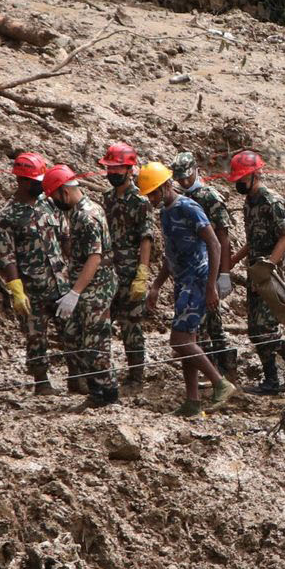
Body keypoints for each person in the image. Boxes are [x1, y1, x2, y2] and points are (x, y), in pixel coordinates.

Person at [140, 162, 236, 417]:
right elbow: (171, 255)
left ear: (166, 186)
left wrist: (212, 286)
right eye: (148, 195)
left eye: (154, 193)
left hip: (198, 279)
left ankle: (220, 383)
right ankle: (192, 400)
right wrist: (157, 285)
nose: (151, 199)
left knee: (179, 340)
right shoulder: (165, 212)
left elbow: (214, 244)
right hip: (182, 282)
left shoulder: (189, 208)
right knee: (188, 342)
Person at [0, 151, 74, 399]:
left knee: (72, 332)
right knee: (36, 337)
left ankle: (77, 378)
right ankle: (42, 381)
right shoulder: (8, 216)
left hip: (60, 282)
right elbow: (8, 255)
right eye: (37, 181)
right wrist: (16, 289)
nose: (41, 185)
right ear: (22, 181)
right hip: (32, 287)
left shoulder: (47, 203)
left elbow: (64, 236)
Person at [227, 150, 285, 393]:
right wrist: (233, 261)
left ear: (254, 175)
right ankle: (270, 379)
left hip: (274, 273)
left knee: (268, 327)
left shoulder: (272, 201)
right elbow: (253, 239)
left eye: (242, 179)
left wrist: (271, 264)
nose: (239, 184)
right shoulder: (249, 203)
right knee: (255, 328)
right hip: (257, 272)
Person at [43, 164, 120, 409]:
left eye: (55, 196)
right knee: (79, 339)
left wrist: (75, 292)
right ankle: (96, 389)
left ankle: (106, 393)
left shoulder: (87, 216)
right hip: (85, 284)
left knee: (96, 343)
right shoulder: (76, 212)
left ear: (64, 192)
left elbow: (94, 258)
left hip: (96, 287)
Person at [171, 152, 237, 374]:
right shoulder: (179, 197)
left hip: (211, 268)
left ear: (196, 171)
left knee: (213, 323)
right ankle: (210, 370)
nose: (184, 182)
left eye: (187, 178)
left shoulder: (210, 197)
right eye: (180, 179)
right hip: (191, 270)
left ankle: (225, 371)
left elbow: (222, 239)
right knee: (197, 326)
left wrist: (224, 274)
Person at [99, 143, 155, 388]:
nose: (112, 173)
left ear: (129, 170)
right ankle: (102, 373)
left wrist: (142, 273)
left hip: (131, 271)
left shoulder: (141, 201)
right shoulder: (107, 198)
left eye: (117, 168)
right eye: (109, 168)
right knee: (101, 322)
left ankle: (136, 377)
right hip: (108, 271)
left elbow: (146, 238)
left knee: (131, 326)